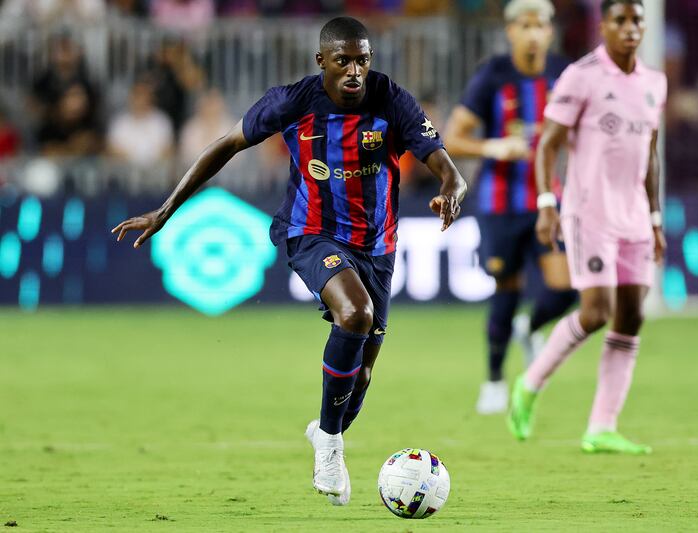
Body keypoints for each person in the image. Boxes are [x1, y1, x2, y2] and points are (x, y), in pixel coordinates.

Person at [112, 16, 467, 504]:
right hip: (310, 232)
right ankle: (331, 444)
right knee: (356, 315)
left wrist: (451, 188)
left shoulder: (392, 100)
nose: (354, 72)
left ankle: (327, 432)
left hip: (378, 246)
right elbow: (225, 146)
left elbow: (447, 167)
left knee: (362, 371)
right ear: (321, 60)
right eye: (343, 60)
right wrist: (167, 209)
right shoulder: (292, 101)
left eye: (363, 60)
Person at [507, 0, 667, 454]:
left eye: (637, 19)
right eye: (621, 20)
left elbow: (649, 155)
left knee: (632, 318)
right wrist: (546, 204)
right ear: (604, 26)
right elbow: (548, 144)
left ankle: (601, 426)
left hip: (634, 216)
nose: (631, 28)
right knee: (596, 312)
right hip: (588, 213)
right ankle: (530, 383)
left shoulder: (655, 82)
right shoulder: (582, 76)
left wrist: (654, 219)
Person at [444, 0, 577, 415]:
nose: (533, 33)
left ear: (551, 32)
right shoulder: (493, 76)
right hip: (501, 204)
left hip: (548, 204)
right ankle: (495, 381)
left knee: (568, 288)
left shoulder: (565, 75)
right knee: (506, 290)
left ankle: (530, 326)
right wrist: (493, 146)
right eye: (525, 25)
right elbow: (453, 137)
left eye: (541, 25)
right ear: (510, 31)